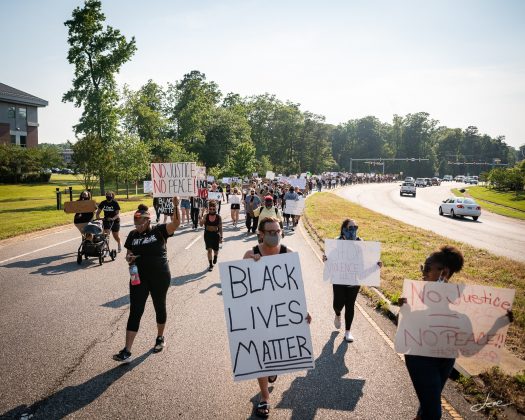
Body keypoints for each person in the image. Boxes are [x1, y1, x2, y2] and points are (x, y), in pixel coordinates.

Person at [399, 245, 513, 420]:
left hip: (445, 359)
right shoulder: (416, 296)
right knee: (434, 412)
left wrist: (497, 326)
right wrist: (406, 313)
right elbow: (404, 337)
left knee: (428, 405)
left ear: (444, 273)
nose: (423, 273)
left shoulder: (461, 314)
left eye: (428, 268)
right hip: (419, 358)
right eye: (423, 267)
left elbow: (470, 350)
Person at [243, 217, 312, 418]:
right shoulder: (251, 254)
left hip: (281, 313)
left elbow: (295, 286)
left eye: (278, 231)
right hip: (259, 315)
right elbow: (242, 290)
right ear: (261, 234)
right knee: (260, 356)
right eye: (270, 232)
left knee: (274, 352)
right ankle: (265, 398)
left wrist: (303, 310)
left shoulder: (288, 254)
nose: (275, 235)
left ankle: (273, 369)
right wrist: (252, 267)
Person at [113, 199, 180, 363]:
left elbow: (176, 223)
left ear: (148, 220)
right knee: (135, 311)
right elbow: (128, 255)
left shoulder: (159, 231)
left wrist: (176, 205)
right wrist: (130, 258)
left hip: (160, 276)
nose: (137, 226)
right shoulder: (133, 235)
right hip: (138, 278)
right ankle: (127, 351)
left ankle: (160, 337)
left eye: (140, 223)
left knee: (159, 306)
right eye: (135, 223)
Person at [322, 219, 381, 342]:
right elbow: (331, 260)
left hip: (354, 281)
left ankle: (348, 331)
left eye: (355, 227)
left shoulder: (360, 243)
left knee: (350, 305)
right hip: (339, 280)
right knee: (337, 304)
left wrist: (376, 265)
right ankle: (337, 314)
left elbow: (364, 262)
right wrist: (326, 259)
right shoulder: (337, 242)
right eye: (350, 228)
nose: (353, 230)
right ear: (344, 229)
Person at [199, 200, 223, 271]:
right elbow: (201, 225)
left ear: (216, 208)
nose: (212, 210)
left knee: (216, 250)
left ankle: (215, 256)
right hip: (207, 234)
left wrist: (221, 237)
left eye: (213, 209)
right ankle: (210, 265)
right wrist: (200, 218)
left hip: (216, 235)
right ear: (208, 209)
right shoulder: (206, 216)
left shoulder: (218, 217)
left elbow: (220, 228)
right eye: (210, 209)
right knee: (209, 250)